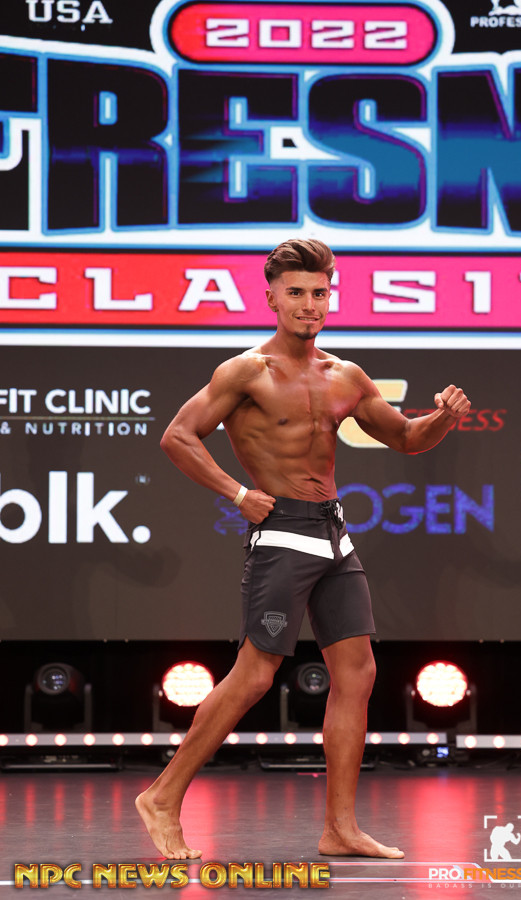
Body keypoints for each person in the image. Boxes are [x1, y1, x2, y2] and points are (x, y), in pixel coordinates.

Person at [136, 238, 471, 861]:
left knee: (358, 672)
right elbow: (178, 436)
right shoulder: (245, 372)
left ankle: (339, 828)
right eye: (295, 292)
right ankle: (161, 797)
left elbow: (405, 438)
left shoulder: (345, 375)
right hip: (283, 533)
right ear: (271, 298)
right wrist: (238, 493)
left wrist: (444, 418)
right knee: (255, 674)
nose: (309, 304)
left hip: (334, 535)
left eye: (319, 292)